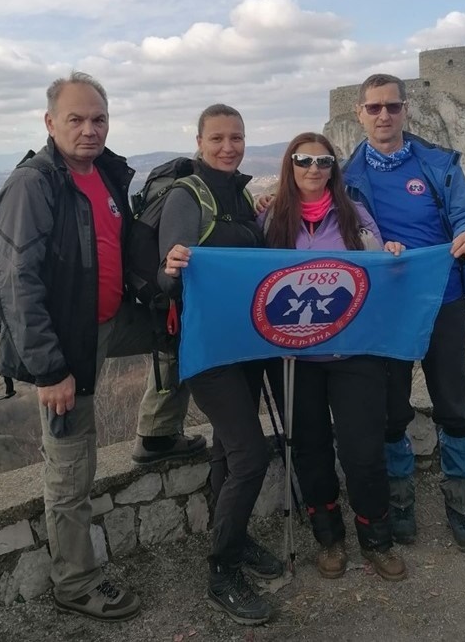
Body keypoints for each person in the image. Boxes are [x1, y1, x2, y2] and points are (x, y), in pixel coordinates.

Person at [0, 72, 161, 621]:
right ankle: (76, 582)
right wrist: (49, 370)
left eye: (98, 119)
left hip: (113, 322)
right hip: (66, 348)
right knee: (71, 466)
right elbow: (17, 284)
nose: (90, 129)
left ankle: (158, 435)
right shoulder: (36, 184)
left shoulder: (106, 174)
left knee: (185, 340)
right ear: (50, 123)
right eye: (76, 119)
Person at [341, 73, 465, 553]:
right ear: (360, 114)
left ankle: (460, 498)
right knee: (391, 412)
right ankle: (400, 498)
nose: (384, 115)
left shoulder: (437, 164)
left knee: (453, 404)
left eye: (392, 106)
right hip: (385, 308)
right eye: (374, 108)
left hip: (443, 298)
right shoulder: (346, 179)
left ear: (405, 110)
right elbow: (312, 216)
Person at [260, 132, 407, 581]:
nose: (313, 169)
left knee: (363, 450)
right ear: (290, 165)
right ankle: (329, 538)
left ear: (333, 169)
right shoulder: (270, 219)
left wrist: (392, 257)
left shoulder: (353, 215)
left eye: (324, 162)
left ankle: (376, 539)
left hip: (353, 353)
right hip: (294, 359)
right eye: (303, 160)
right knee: (310, 449)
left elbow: (377, 271)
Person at [159, 104, 282, 625]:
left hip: (247, 344)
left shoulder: (241, 195)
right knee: (251, 454)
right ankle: (222, 570)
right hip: (209, 350)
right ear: (199, 141)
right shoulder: (187, 196)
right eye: (218, 139)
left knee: (228, 451)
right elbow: (166, 279)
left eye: (236, 138)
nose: (228, 147)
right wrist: (171, 266)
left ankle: (234, 536)